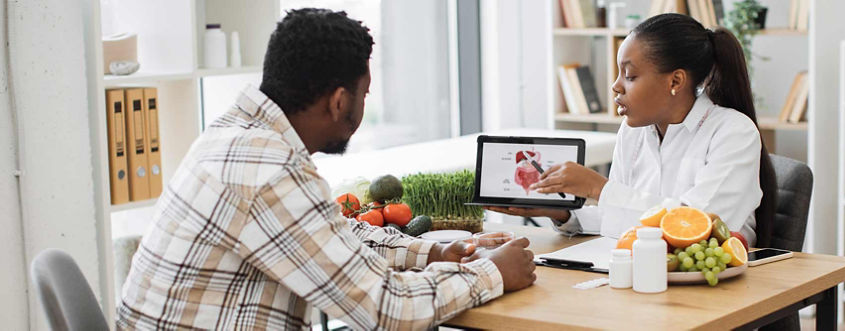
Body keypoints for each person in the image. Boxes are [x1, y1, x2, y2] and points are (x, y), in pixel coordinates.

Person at [116, 9, 535, 330]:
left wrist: (435, 252)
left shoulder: (238, 136)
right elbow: (386, 309)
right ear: (338, 102)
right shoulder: (268, 170)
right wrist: (491, 272)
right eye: (364, 93)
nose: (363, 104)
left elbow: (330, 234)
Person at [487, 13, 777, 248]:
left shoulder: (733, 133)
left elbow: (694, 224)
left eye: (630, 75)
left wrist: (597, 188)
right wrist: (561, 213)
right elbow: (621, 218)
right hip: (643, 274)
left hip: (714, 289)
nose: (616, 86)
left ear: (675, 81)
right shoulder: (633, 132)